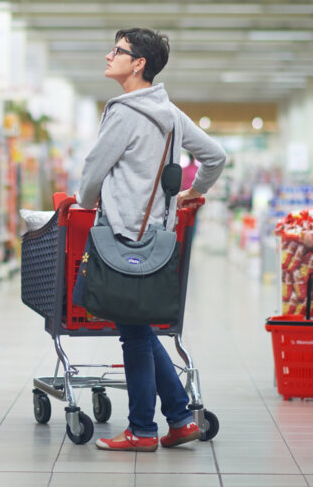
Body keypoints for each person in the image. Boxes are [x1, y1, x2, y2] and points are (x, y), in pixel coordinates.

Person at [75, 27, 226, 452]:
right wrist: (193, 194)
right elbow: (215, 156)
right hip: (157, 239)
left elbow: (93, 171)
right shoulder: (169, 113)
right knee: (139, 328)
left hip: (122, 236)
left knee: (134, 334)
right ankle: (178, 418)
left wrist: (84, 201)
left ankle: (142, 430)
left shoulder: (123, 111)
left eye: (117, 51)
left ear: (138, 63)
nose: (109, 55)